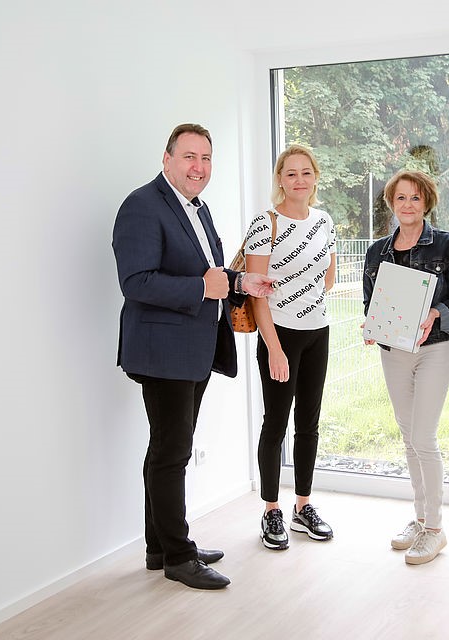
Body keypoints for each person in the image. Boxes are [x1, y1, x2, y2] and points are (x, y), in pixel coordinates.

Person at [112, 123, 275, 590]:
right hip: (162, 353)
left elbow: (210, 273)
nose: (198, 167)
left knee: (165, 449)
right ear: (167, 160)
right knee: (172, 453)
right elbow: (135, 282)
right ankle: (179, 557)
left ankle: (160, 547)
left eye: (205, 158)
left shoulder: (196, 208)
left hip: (192, 350)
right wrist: (203, 288)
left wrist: (240, 282)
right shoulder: (142, 206)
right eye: (188, 156)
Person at [362, 170, 449, 565]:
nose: (407, 205)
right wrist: (371, 325)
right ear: (391, 203)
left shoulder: (447, 246)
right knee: (409, 437)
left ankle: (436, 530)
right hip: (393, 351)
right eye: (400, 198)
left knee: (424, 437)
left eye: (415, 198)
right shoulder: (377, 252)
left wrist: (435, 312)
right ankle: (421, 518)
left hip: (434, 349)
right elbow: (370, 302)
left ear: (426, 202)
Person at [244, 144, 337, 550]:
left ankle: (302, 506)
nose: (299, 180)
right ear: (280, 180)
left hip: (318, 332)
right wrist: (275, 348)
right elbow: (256, 294)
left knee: (309, 424)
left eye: (306, 172)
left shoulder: (324, 221)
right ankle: (271, 510)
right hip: (279, 335)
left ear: (315, 178)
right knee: (275, 424)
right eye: (291, 173)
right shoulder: (265, 223)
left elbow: (329, 277)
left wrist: (306, 301)